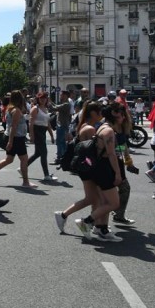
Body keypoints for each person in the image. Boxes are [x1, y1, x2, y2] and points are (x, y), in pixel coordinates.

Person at [72, 103, 124, 241]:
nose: (123, 117)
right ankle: (87, 221)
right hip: (103, 169)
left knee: (106, 200)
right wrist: (118, 174)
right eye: (120, 114)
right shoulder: (108, 131)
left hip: (100, 168)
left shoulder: (103, 127)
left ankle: (102, 229)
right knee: (114, 203)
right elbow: (112, 154)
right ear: (114, 116)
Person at [53, 103, 105, 236]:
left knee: (95, 198)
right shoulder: (90, 129)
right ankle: (66, 215)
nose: (101, 114)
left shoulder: (84, 125)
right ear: (92, 113)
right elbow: (96, 151)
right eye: (99, 111)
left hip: (84, 166)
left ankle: (94, 224)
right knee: (93, 198)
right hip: (89, 167)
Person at [0, 90, 36, 188]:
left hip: (15, 137)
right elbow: (14, 126)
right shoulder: (16, 110)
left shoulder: (10, 109)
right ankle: (25, 182)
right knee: (24, 159)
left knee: (9, 159)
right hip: (17, 138)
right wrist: (10, 141)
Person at [25, 92, 57, 181]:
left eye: (45, 98)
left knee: (38, 153)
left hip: (43, 131)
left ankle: (23, 167)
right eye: (41, 98)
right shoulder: (35, 109)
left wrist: (51, 135)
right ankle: (46, 175)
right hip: (37, 131)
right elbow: (31, 123)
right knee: (44, 153)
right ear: (38, 99)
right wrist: (31, 135)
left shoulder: (45, 109)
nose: (43, 99)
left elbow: (48, 123)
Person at [52, 90, 72, 164]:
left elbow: (54, 108)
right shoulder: (65, 104)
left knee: (60, 142)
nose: (60, 96)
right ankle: (62, 158)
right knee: (62, 142)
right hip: (62, 125)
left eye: (61, 95)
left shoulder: (66, 104)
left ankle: (60, 158)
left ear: (66, 96)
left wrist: (49, 101)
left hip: (62, 125)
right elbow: (56, 107)